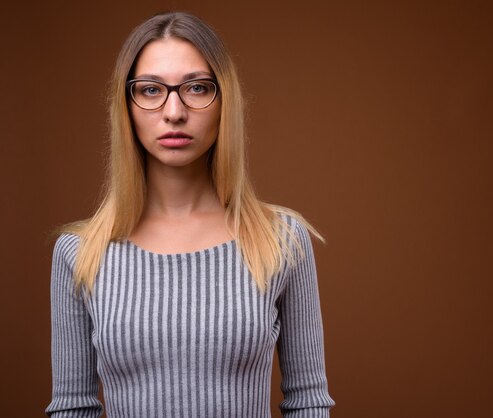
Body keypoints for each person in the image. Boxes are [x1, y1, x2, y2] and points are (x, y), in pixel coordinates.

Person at [45, 11, 335, 418]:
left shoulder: (281, 241)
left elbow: (308, 402)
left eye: (197, 88)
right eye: (150, 90)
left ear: (225, 101)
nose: (174, 112)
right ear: (125, 106)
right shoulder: (80, 253)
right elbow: (72, 408)